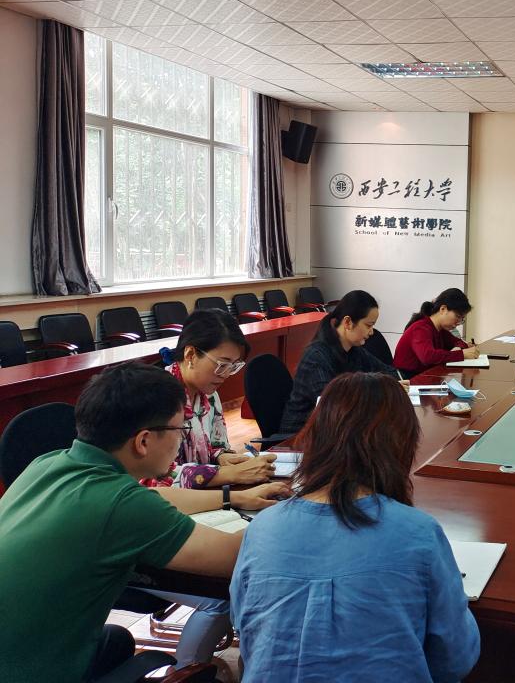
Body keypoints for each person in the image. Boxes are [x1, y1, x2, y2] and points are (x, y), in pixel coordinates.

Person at [0, 362, 288, 683]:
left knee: (116, 641)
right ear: (144, 441)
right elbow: (244, 557)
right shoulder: (122, 506)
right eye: (180, 430)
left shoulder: (46, 463)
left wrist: (233, 497)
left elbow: (152, 498)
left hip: (18, 650)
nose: (181, 440)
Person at [231, 372, 480, 682]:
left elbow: (245, 628)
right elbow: (454, 658)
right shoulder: (419, 533)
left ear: (316, 437)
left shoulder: (262, 528)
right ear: (401, 444)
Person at [148, 309, 276, 489]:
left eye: (233, 366)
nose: (226, 374)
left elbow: (217, 445)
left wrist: (223, 457)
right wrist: (228, 474)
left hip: (205, 495)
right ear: (190, 355)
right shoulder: (155, 398)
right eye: (222, 364)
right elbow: (154, 478)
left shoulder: (210, 396)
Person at [280, 289, 402, 434]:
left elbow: (390, 372)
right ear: (348, 322)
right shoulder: (316, 357)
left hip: (334, 431)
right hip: (300, 435)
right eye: (368, 325)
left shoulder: (354, 350)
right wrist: (377, 389)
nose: (371, 332)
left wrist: (390, 384)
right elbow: (334, 405)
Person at [393, 288, 479, 378]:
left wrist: (459, 348)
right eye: (458, 316)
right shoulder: (421, 328)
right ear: (443, 309)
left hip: (425, 376)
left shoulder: (440, 329)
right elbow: (427, 357)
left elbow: (459, 342)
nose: (459, 322)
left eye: (462, 319)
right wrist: (462, 354)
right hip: (407, 379)